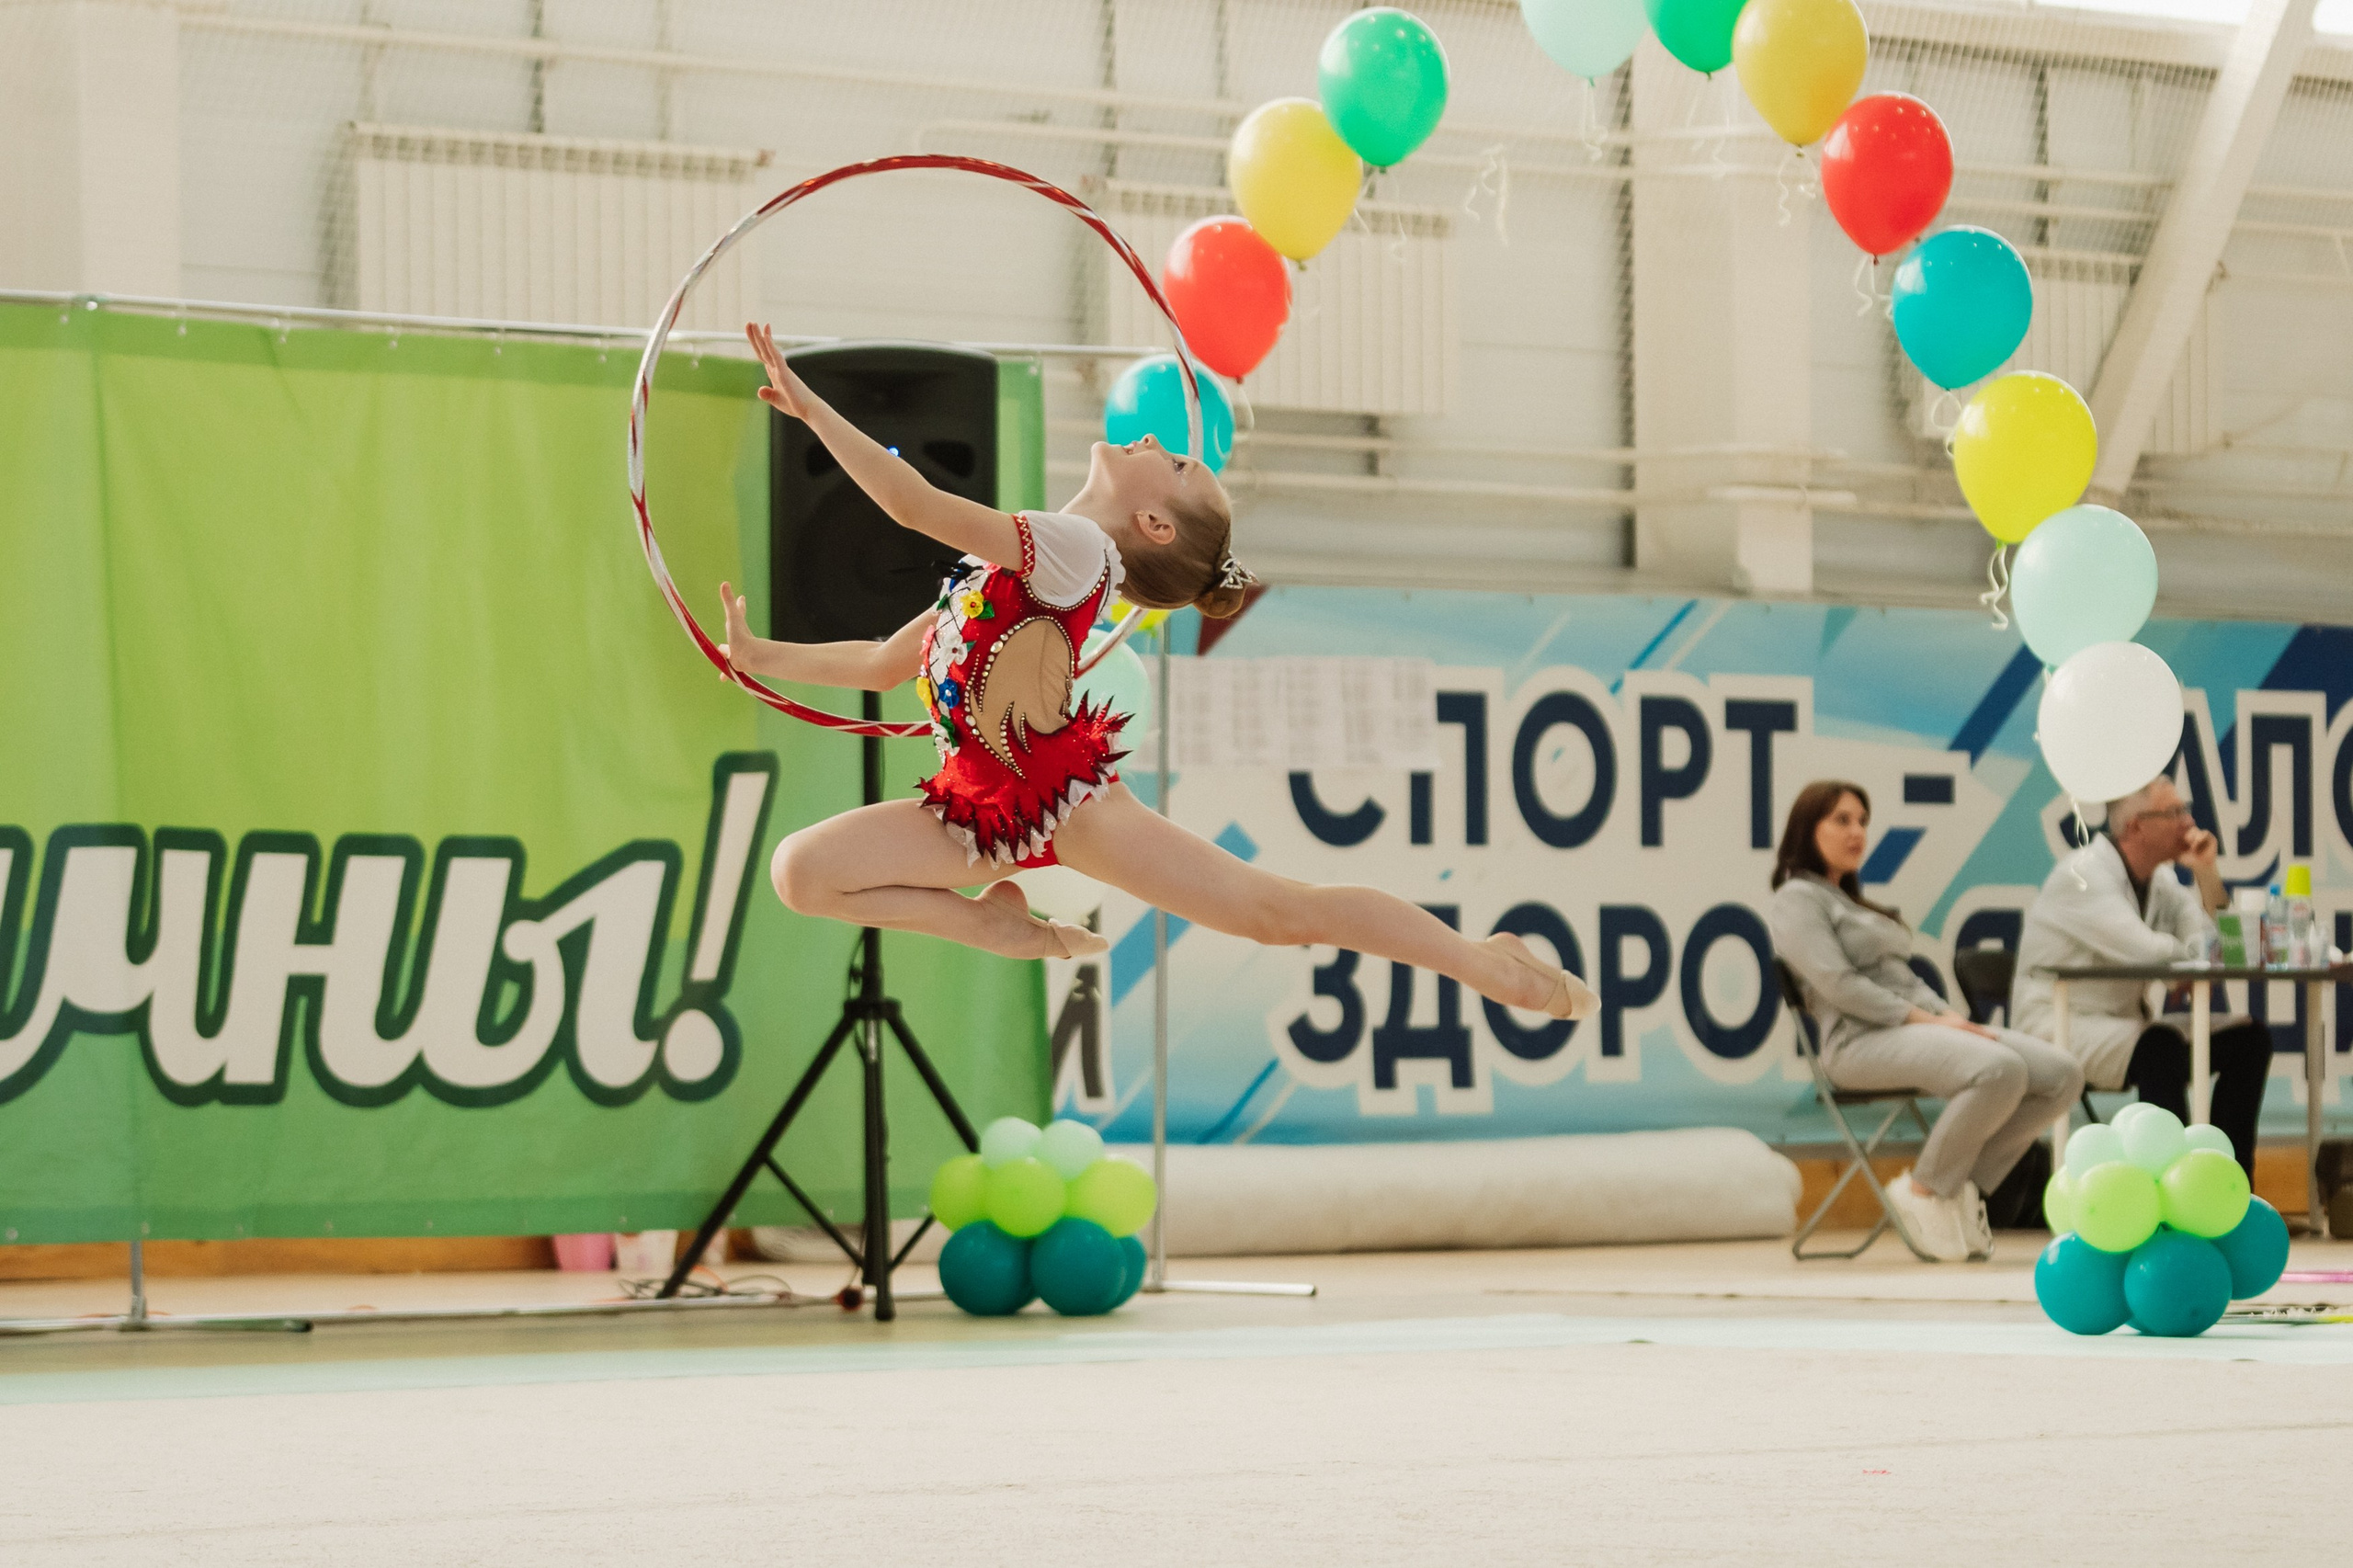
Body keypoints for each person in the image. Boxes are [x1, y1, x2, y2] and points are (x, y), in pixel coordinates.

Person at [715, 324, 1597, 1022]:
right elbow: (877, 667)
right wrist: (761, 660)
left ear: (1154, 525)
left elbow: (914, 506)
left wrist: (815, 408)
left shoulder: (1074, 553)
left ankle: (1495, 965)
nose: (1154, 440)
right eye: (1178, 454)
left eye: (1175, 464)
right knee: (803, 874)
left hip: (1075, 811)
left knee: (1281, 912)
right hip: (980, 814)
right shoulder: (995, 577)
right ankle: (994, 924)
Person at [1769, 780, 2082, 1261]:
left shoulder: (1853, 902)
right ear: (1807, 829)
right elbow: (1838, 984)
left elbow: (1908, 982)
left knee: (2062, 1075)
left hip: (1912, 1026)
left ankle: (1961, 1190)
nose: (1857, 832)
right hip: (1857, 1044)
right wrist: (1925, 1020)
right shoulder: (1796, 898)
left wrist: (1947, 1016)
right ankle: (1924, 1191)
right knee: (1999, 1069)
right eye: (1842, 820)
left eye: (1862, 822)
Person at [2011, 775, 2267, 1177]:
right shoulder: (2081, 877)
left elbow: (2221, 948)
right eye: (2174, 812)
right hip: (2057, 1026)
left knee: (2248, 1040)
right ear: (2136, 826)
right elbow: (2153, 953)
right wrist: (2193, 961)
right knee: (2160, 1048)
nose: (2188, 822)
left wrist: (2206, 873)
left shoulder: (2160, 880)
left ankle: (2231, 1185)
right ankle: (2174, 1186)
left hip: (2122, 1026)